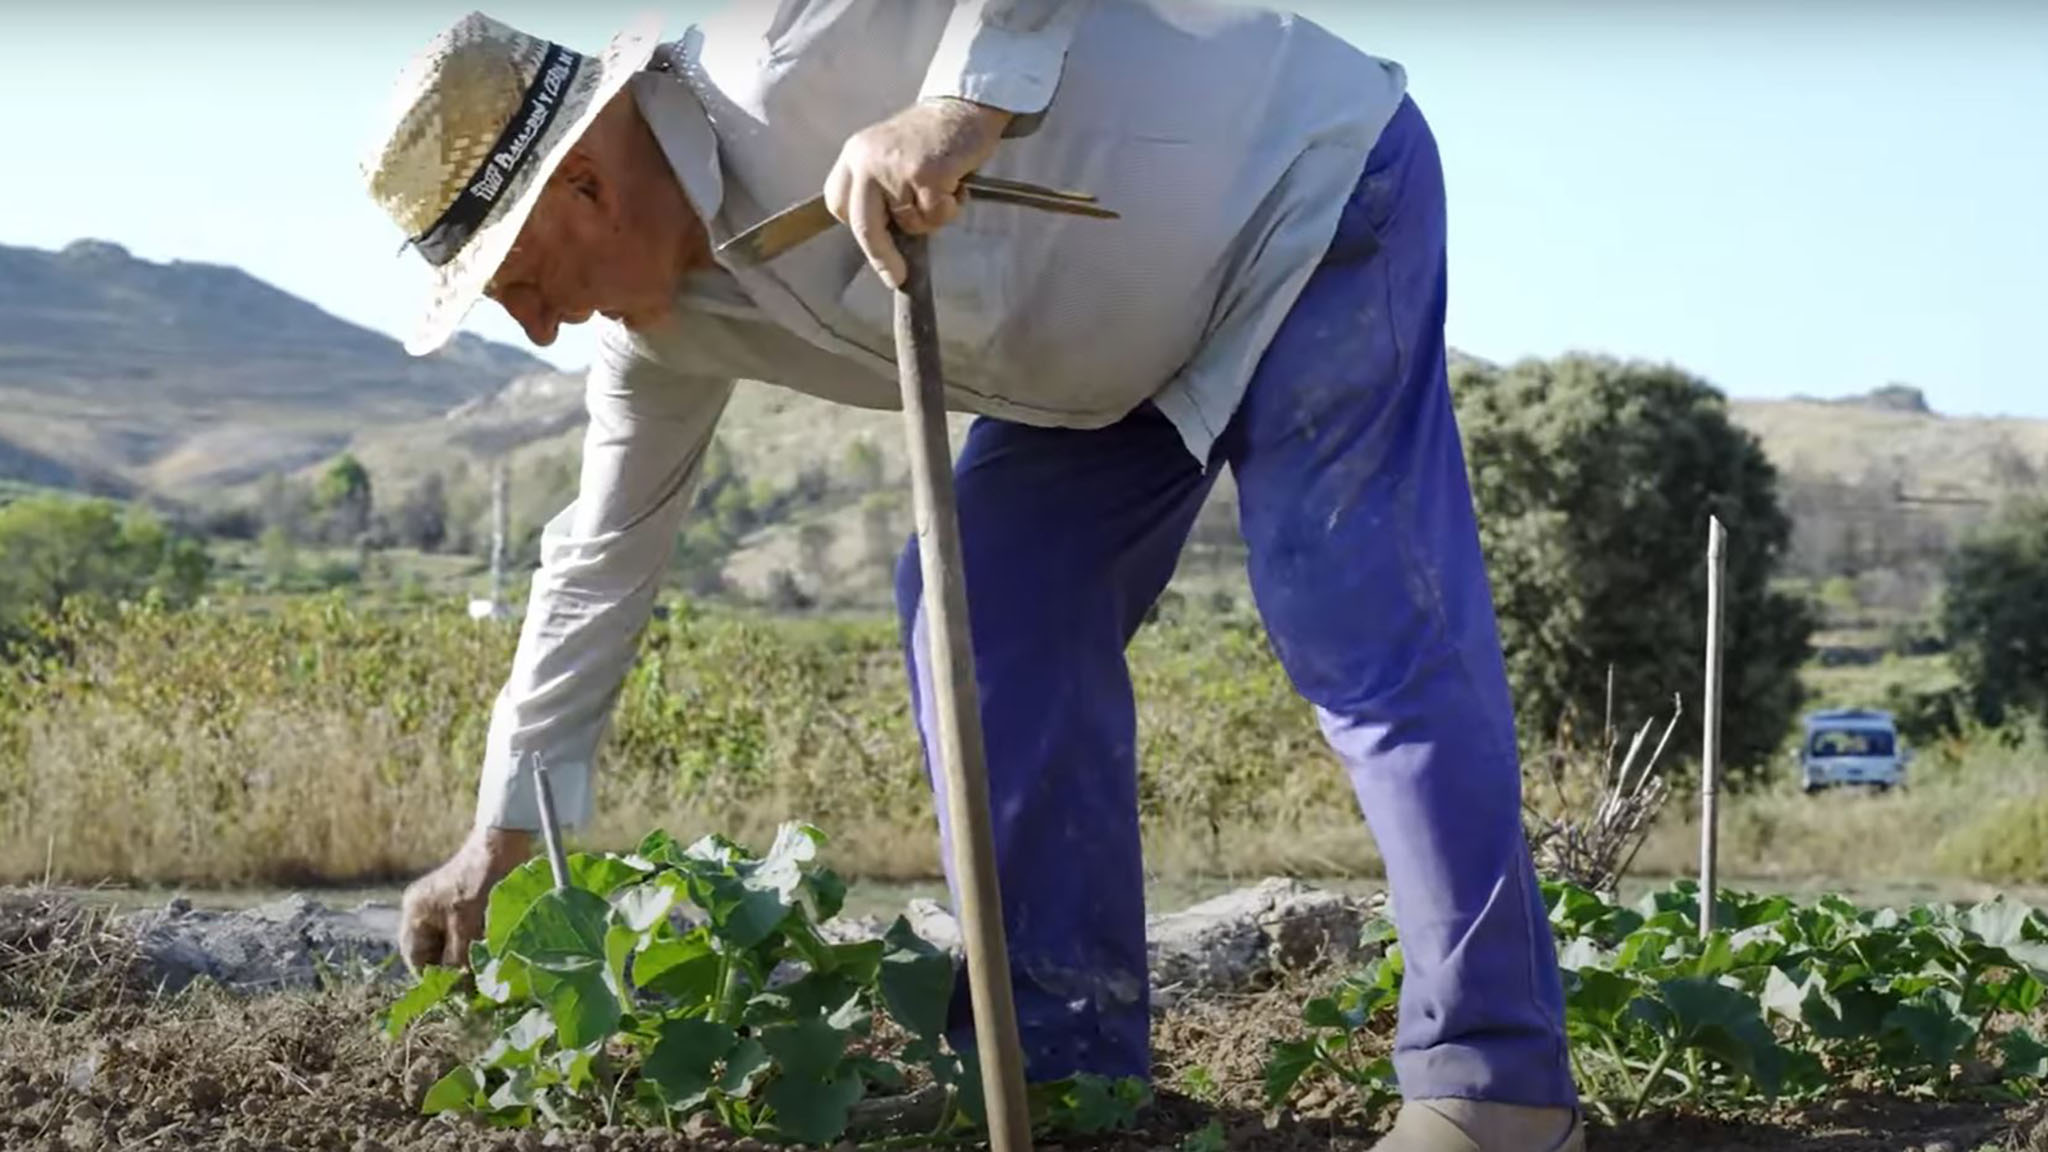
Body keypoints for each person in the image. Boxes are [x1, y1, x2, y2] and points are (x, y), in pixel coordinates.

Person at [362, 4, 1582, 1148]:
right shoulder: (657, 337)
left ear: (580, 182)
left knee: (1355, 610)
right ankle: (1064, 1068)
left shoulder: (778, 44)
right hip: (1109, 370)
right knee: (978, 605)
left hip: (1299, 204)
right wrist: (506, 829)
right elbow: (594, 564)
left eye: (519, 280)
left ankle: (1494, 1083)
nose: (533, 326)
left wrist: (963, 103)